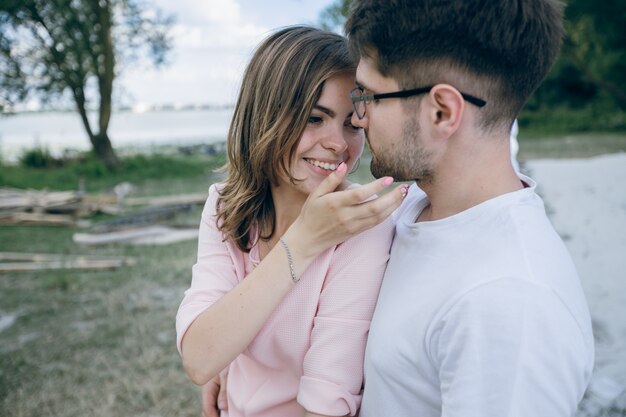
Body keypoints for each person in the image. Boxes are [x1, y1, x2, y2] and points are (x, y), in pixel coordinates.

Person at [343, 0, 595, 416]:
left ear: (442, 111)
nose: (358, 117)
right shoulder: (415, 208)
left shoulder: (510, 305)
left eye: (369, 95)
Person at [176, 25, 407, 417]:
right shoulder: (225, 206)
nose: (339, 144)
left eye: (352, 124)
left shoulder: (362, 230)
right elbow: (200, 358)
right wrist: (300, 243)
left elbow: (326, 404)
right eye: (315, 118)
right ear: (265, 115)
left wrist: (308, 242)